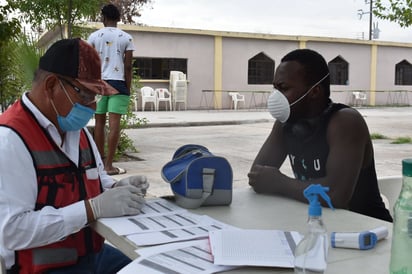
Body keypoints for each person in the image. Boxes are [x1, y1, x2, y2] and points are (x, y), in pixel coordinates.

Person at [0, 38, 149, 274]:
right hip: (41, 266)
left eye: (95, 98)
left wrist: (117, 188)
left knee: (152, 269)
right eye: (86, 96)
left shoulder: (77, 132)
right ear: (51, 86)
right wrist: (91, 209)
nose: (91, 107)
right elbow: (12, 231)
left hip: (91, 256)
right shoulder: (10, 140)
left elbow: (93, 180)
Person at [248, 48, 392, 222]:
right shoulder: (285, 123)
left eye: (284, 88)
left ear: (314, 91)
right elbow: (258, 176)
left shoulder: (345, 122)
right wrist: (274, 181)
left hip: (367, 231)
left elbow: (335, 194)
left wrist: (280, 183)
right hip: (319, 226)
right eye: (275, 88)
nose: (276, 96)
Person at [87, 4, 135, 175]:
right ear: (118, 19)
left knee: (99, 123)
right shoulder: (126, 38)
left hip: (99, 84)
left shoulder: (93, 36)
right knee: (114, 126)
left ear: (103, 18)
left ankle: (100, 166)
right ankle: (109, 166)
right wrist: (127, 89)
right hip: (118, 84)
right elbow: (128, 66)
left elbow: (89, 63)